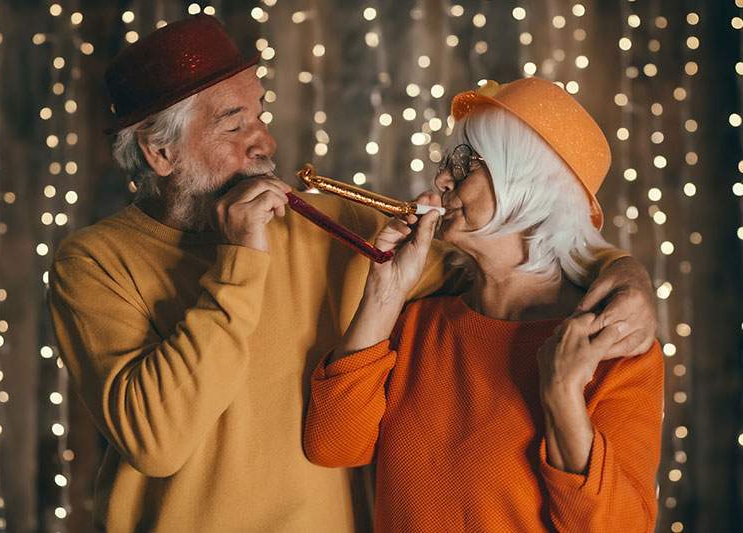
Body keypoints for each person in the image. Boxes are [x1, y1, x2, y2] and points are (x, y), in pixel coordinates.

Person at [48, 15, 657, 533]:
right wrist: (241, 259)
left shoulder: (327, 224)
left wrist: (621, 274)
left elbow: (508, 259)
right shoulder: (95, 263)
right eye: (233, 125)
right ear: (161, 154)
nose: (263, 142)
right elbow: (157, 441)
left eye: (259, 115)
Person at [303, 78, 664, 533]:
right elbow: (332, 446)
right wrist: (385, 291)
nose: (441, 179)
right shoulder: (416, 321)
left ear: (528, 179)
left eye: (464, 163)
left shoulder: (613, 346)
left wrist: (563, 395)